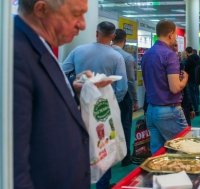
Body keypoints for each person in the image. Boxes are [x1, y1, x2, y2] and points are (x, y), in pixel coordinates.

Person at [13, 0, 108, 189]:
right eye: (76, 14)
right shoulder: (16, 54)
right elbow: (13, 163)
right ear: (41, 9)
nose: (83, 24)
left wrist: (73, 87)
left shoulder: (41, 44)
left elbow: (40, 97)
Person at [62, 21, 128, 189]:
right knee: (104, 146)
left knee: (80, 146)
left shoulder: (79, 51)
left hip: (80, 106)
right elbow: (123, 87)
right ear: (113, 36)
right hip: (104, 111)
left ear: (96, 33)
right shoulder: (116, 56)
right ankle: (102, 184)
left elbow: (62, 71)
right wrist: (112, 103)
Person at [141, 20, 189, 153]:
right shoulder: (169, 54)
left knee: (158, 153)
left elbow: (146, 83)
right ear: (170, 34)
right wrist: (185, 80)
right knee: (184, 150)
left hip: (151, 110)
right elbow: (175, 88)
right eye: (175, 35)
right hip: (169, 110)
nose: (175, 38)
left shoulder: (147, 54)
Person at [111, 28, 138, 166]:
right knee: (125, 126)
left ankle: (109, 156)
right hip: (123, 96)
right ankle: (125, 157)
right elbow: (130, 81)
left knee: (107, 128)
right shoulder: (127, 57)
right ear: (125, 40)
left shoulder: (105, 53)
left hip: (104, 96)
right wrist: (135, 100)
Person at [184, 46, 200, 116]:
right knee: (196, 92)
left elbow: (186, 69)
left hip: (190, 78)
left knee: (192, 94)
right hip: (197, 78)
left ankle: (195, 109)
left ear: (186, 52)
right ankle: (197, 107)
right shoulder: (198, 57)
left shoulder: (189, 59)